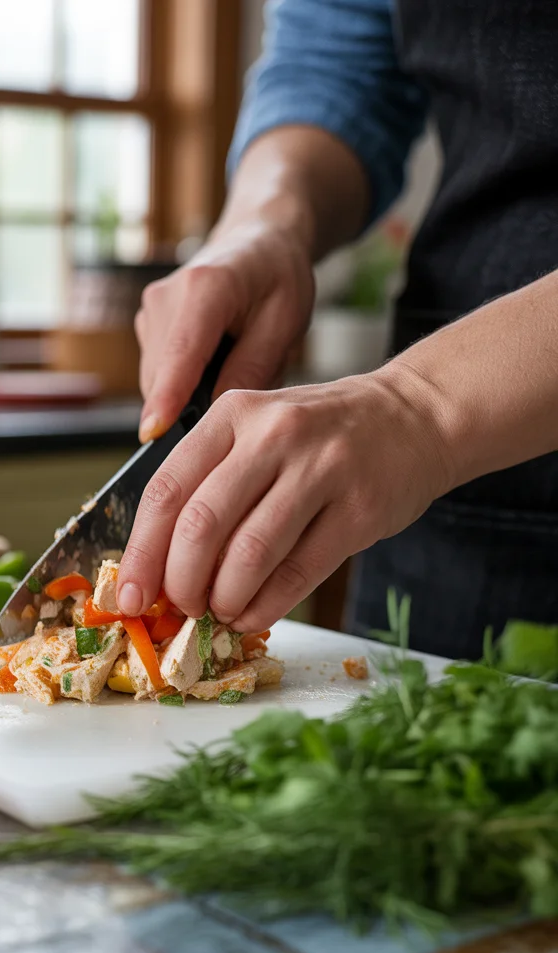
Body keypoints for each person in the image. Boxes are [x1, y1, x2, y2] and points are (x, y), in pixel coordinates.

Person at [116, 0, 558, 661]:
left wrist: (420, 406)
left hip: (430, 425)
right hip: (450, 513)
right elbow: (336, 60)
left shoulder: (414, 415)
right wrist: (264, 223)